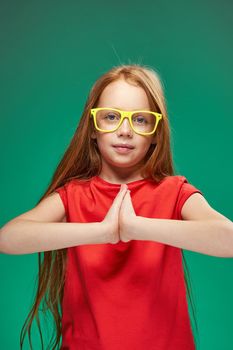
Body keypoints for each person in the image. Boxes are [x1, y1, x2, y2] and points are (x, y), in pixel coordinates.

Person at [0, 64, 232, 350]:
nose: (125, 131)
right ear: (93, 129)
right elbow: (9, 238)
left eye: (141, 120)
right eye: (111, 117)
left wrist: (138, 227)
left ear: (156, 133)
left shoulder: (174, 192)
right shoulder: (74, 195)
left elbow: (228, 239)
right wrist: (101, 232)